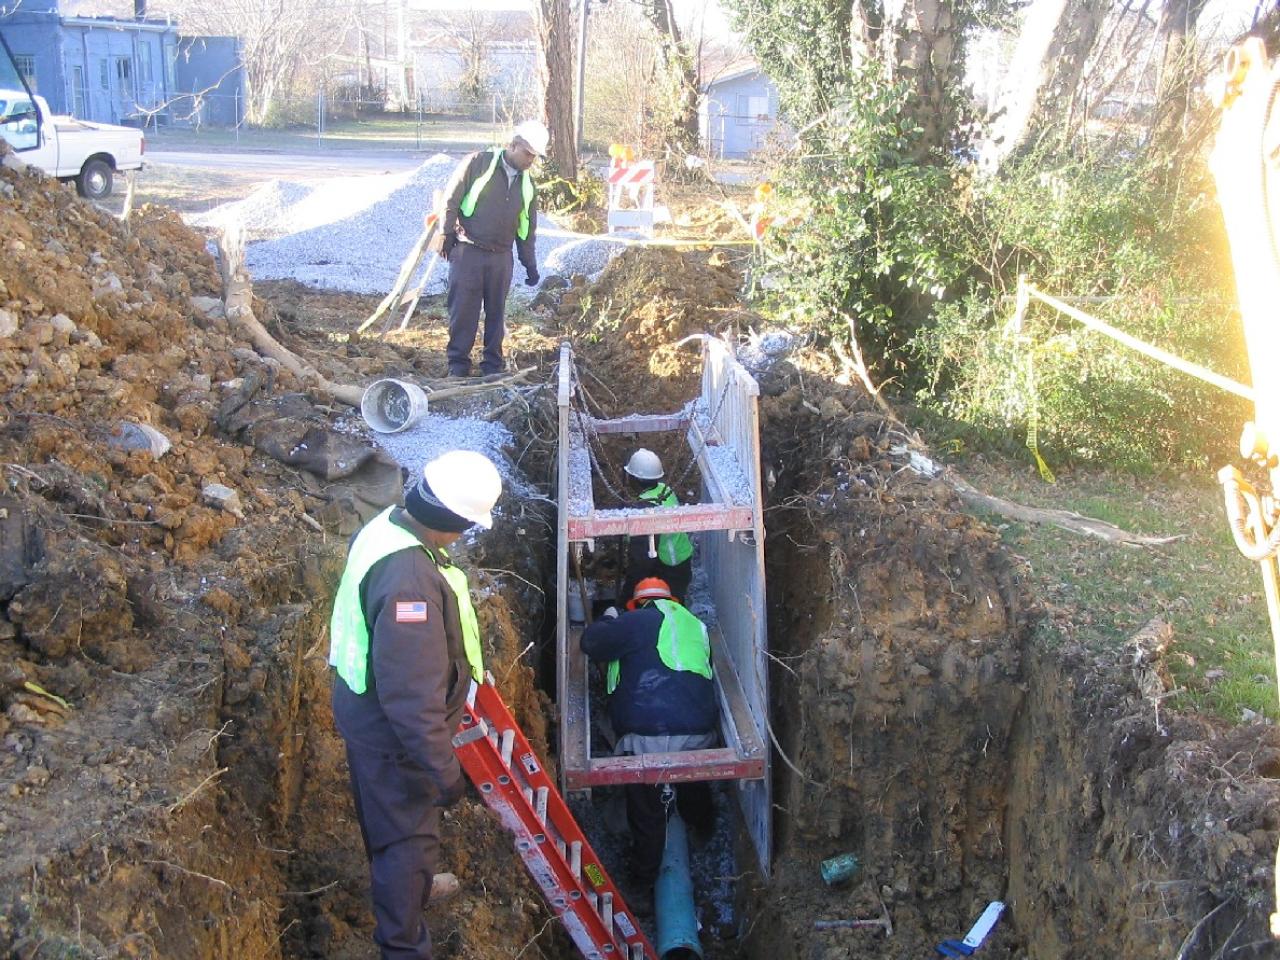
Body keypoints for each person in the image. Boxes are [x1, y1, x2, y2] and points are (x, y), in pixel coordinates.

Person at [329, 449, 502, 960]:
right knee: (408, 843)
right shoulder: (410, 583)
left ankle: (408, 886)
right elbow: (410, 700)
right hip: (394, 736)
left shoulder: (392, 524)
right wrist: (445, 773)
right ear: (449, 520)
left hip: (368, 713)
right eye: (466, 525)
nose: (465, 535)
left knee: (389, 827)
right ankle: (403, 945)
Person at [580, 577, 718, 888]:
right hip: (699, 731)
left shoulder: (637, 620)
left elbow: (592, 643)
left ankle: (642, 885)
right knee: (692, 780)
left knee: (646, 810)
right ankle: (702, 826)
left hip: (647, 735)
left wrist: (610, 617)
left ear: (638, 603)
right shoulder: (694, 625)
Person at [438, 120, 548, 378]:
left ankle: (491, 366)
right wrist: (445, 233)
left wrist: (529, 264)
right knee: (463, 309)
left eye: (535, 156)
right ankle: (458, 366)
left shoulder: (527, 186)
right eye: (528, 153)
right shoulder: (478, 163)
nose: (531, 160)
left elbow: (526, 229)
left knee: (496, 312)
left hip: (501, 257)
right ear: (513, 145)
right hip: (469, 251)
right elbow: (451, 198)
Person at [619, 448, 693, 605]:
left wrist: (626, 596)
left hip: (669, 568)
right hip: (681, 559)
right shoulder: (664, 490)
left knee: (668, 608)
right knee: (676, 605)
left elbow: (641, 560)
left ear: (635, 479)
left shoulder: (644, 508)